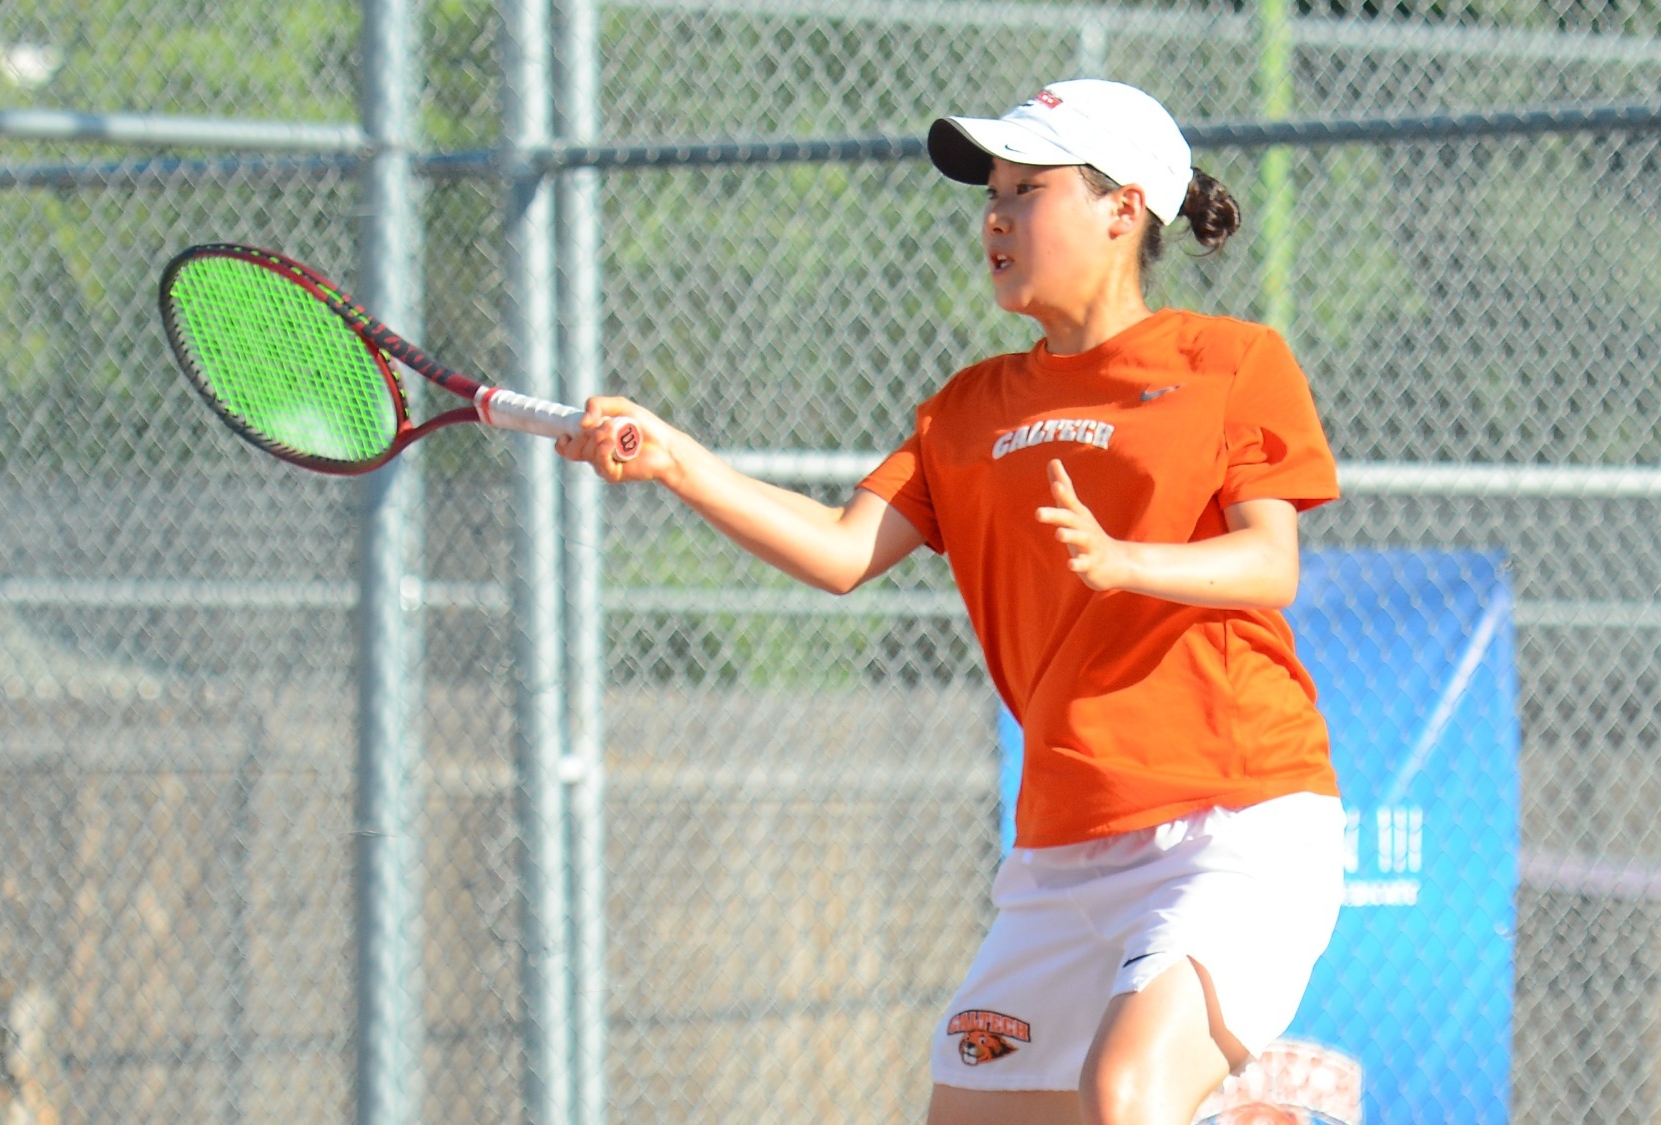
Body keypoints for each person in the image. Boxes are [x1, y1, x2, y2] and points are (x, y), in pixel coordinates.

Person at [557, 78, 1345, 1125]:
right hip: (1063, 843)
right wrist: (674, 462)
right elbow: (842, 552)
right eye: (991, 195)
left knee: (1126, 1093)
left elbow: (1266, 564)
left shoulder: (1228, 362)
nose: (995, 215)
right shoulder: (968, 409)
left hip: (1233, 820)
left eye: (1027, 189)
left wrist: (1127, 562)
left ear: (1122, 208)